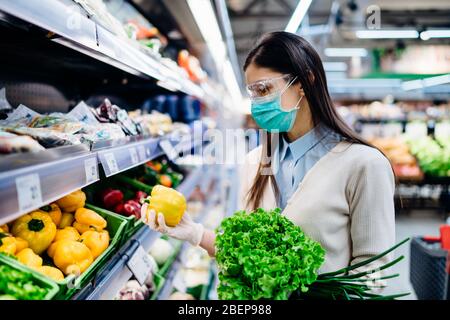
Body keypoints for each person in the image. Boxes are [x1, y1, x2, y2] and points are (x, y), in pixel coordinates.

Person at [141, 31, 395, 277]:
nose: (257, 104)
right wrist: (195, 233)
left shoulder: (364, 165)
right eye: (252, 93)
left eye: (263, 89)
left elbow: (373, 273)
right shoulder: (254, 162)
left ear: (305, 83)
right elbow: (246, 256)